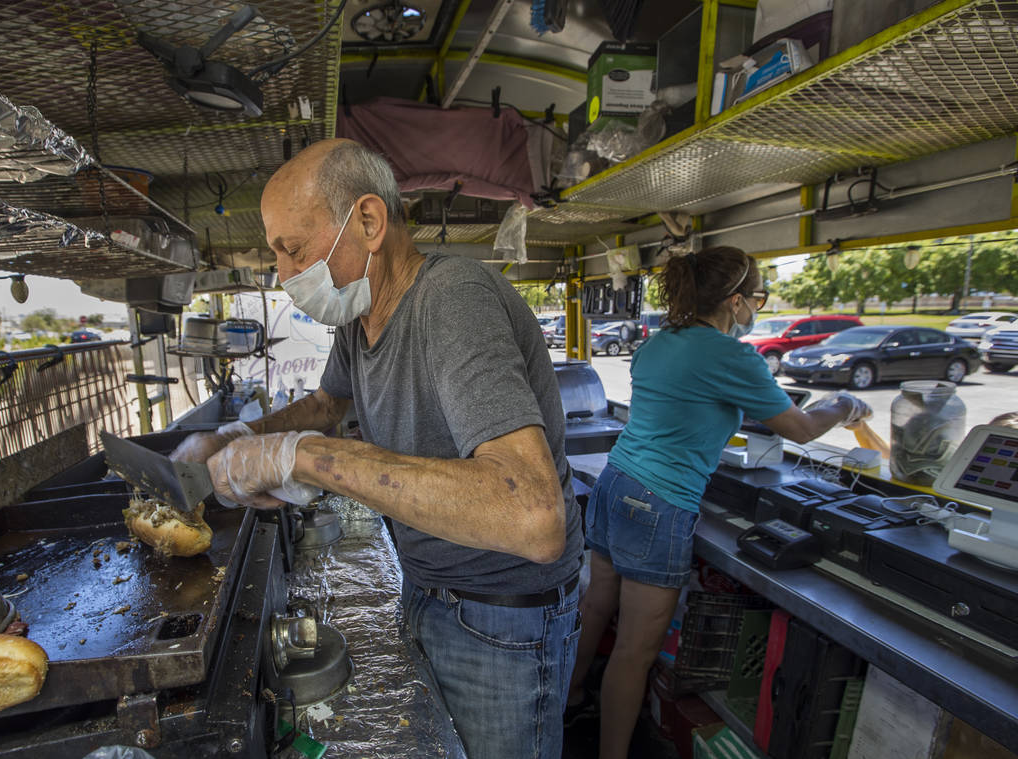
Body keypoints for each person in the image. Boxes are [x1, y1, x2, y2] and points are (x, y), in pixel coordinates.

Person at [171, 138, 583, 759]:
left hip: (501, 617)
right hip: (427, 587)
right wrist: (236, 439)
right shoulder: (360, 319)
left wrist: (304, 458)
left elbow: (533, 514)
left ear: (368, 221)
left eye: (294, 248)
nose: (283, 275)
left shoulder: (451, 302)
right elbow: (325, 406)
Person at [564, 246, 871, 759]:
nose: (757, 309)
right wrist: (843, 404)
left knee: (596, 604)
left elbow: (688, 405)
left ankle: (569, 699)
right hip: (659, 501)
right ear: (734, 301)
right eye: (757, 299)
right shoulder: (733, 356)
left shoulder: (660, 343)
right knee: (635, 653)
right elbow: (799, 430)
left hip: (615, 483)